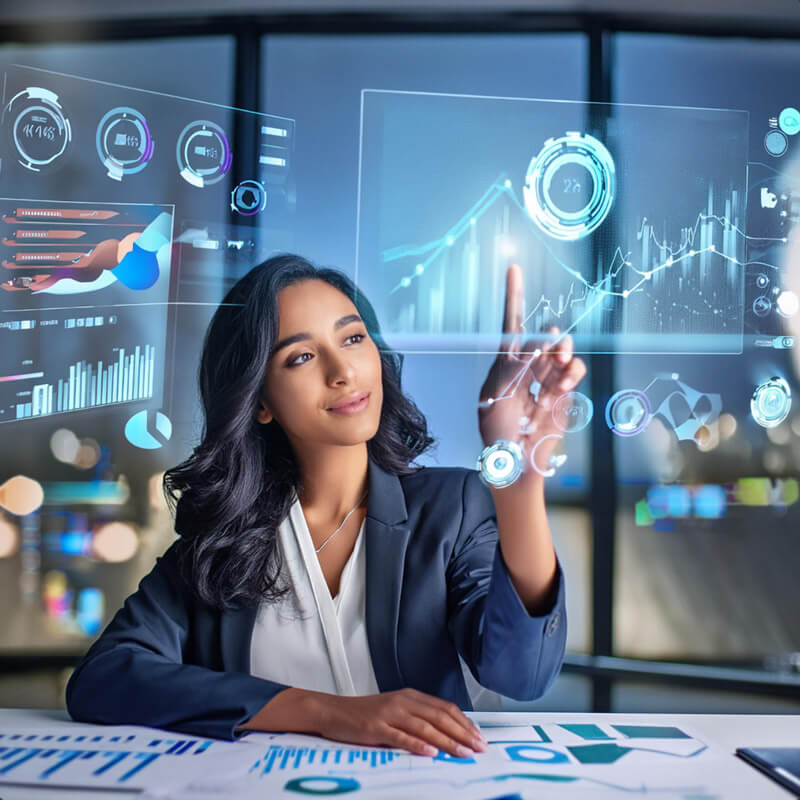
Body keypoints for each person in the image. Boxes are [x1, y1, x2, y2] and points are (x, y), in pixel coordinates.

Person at [66, 253, 585, 758]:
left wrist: (522, 480)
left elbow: (521, 674)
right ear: (260, 401)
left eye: (353, 338)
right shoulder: (222, 541)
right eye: (301, 356)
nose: (342, 372)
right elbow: (104, 676)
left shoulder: (454, 506)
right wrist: (325, 712)